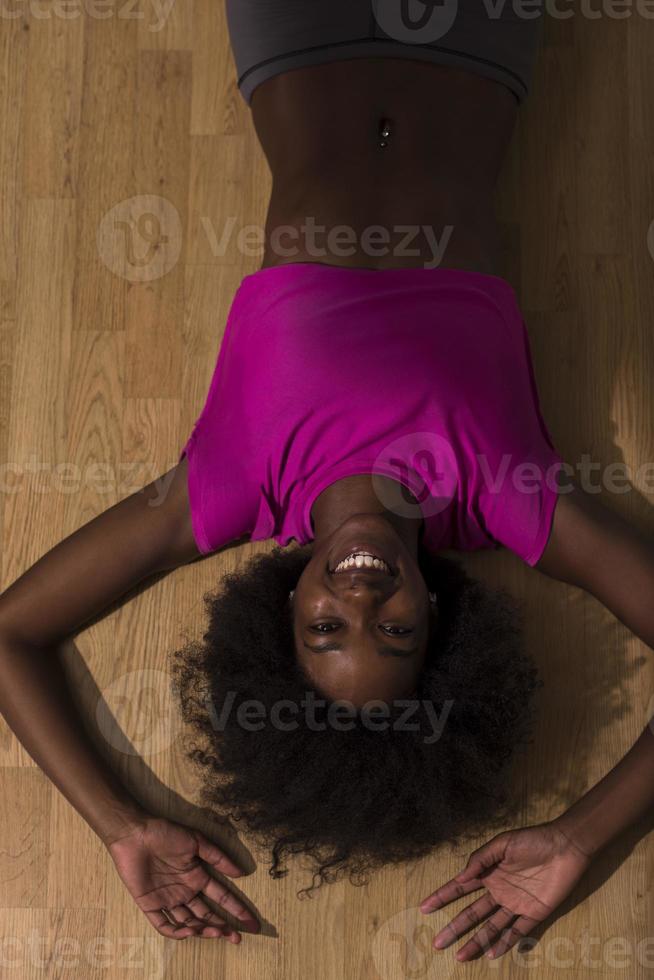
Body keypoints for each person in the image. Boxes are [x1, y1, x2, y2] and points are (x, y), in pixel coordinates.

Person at [0, 0, 652, 963]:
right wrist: (580, 835)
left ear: (285, 607)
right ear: (436, 611)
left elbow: (10, 633)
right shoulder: (513, 500)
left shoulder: (227, 490)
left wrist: (122, 827)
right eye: (395, 631)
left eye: (325, 629)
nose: (360, 595)